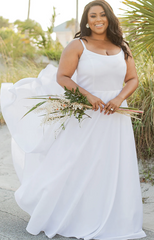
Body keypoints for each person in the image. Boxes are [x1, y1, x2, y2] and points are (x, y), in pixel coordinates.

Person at [1, 0, 146, 239]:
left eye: (102, 15)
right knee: (77, 164)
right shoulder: (77, 45)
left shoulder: (122, 46)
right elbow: (63, 77)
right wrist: (89, 97)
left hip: (115, 116)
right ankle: (68, 214)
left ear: (109, 18)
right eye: (92, 16)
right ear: (86, 21)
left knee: (113, 165)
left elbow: (132, 79)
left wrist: (120, 98)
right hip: (87, 115)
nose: (97, 19)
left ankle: (114, 218)